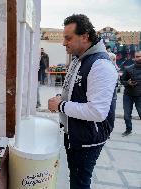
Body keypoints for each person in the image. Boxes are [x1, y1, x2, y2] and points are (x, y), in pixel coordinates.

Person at [48, 14, 117, 189]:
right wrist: (60, 98)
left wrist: (61, 105)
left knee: (80, 183)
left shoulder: (100, 65)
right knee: (76, 179)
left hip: (87, 139)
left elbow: (97, 112)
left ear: (85, 36)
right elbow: (75, 91)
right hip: (75, 134)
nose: (64, 43)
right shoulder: (80, 58)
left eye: (68, 38)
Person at [120, 50, 141, 136]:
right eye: (137, 57)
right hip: (128, 95)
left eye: (140, 56)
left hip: (140, 96)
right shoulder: (128, 68)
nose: (138, 58)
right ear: (134, 58)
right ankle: (128, 129)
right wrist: (127, 83)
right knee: (126, 115)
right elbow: (122, 80)